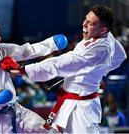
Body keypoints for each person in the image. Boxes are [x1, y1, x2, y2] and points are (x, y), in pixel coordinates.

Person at [9, 5, 127, 133]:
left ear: (103, 30)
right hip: (69, 103)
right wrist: (100, 69)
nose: (84, 24)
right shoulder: (106, 37)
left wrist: (26, 69)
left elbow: (63, 63)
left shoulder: (100, 49)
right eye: (85, 20)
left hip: (82, 109)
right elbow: (121, 55)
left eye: (90, 23)